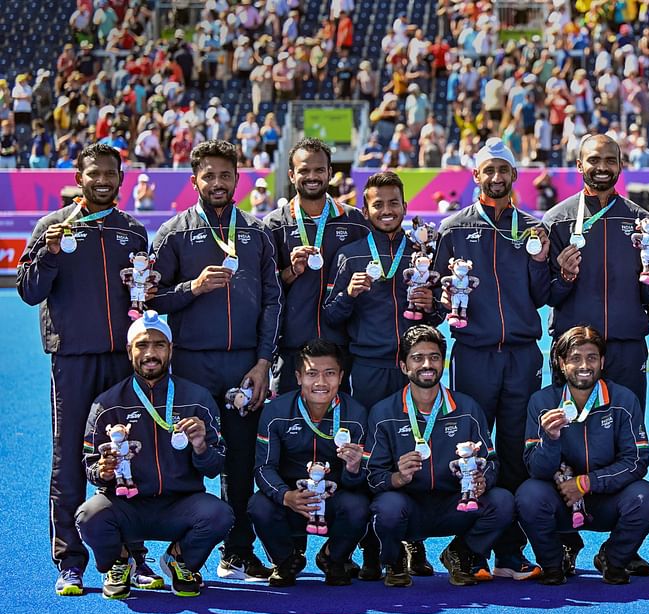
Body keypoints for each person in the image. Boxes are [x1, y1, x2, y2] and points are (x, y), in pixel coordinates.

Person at [17, 143, 155, 595]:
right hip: (73, 360)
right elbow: (30, 292)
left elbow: (142, 298)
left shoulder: (132, 232)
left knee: (127, 456)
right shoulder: (50, 227)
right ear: (78, 177)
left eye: (110, 173)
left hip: (122, 362)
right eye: (93, 172)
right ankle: (71, 560)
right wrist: (51, 253)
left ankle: (132, 556)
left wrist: (148, 287)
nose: (102, 180)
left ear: (121, 178)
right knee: (71, 459)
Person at [149, 139, 283, 582]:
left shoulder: (257, 233)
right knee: (188, 456)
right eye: (209, 175)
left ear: (238, 181)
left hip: (245, 365)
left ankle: (238, 552)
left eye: (226, 175)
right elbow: (151, 300)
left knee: (242, 461)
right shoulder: (174, 233)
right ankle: (183, 552)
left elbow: (271, 302)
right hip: (191, 368)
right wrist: (193, 288)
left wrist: (264, 361)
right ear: (195, 181)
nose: (218, 183)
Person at [431, 138, 551, 581]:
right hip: (474, 355)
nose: (497, 177)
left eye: (504, 169)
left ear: (514, 175)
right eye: (489, 171)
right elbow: (436, 302)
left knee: (518, 455)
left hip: (522, 355)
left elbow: (544, 295)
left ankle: (509, 551)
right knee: (472, 451)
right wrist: (442, 297)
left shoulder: (532, 229)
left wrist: (547, 264)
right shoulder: (453, 229)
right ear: (476, 176)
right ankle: (471, 545)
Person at [75, 311, 234, 598]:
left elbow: (215, 466)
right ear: (129, 351)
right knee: (89, 516)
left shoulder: (197, 399)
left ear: (171, 349)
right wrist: (104, 470)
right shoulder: (107, 404)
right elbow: (89, 467)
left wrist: (200, 445)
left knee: (219, 515)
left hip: (180, 505)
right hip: (127, 505)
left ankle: (179, 560)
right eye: (142, 345)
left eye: (159, 345)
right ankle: (121, 561)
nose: (151, 353)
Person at [364, 326, 514, 587]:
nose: (427, 364)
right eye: (417, 358)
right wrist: (397, 477)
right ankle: (395, 559)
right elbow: (372, 478)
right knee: (386, 508)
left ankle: (460, 553)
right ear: (403, 366)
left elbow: (491, 462)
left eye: (434, 357)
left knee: (502, 502)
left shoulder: (467, 408)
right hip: (408, 507)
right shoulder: (383, 412)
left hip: (455, 504)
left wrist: (483, 481)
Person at [518, 326, 649, 585]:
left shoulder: (623, 399)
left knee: (648, 498)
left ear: (602, 361)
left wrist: (588, 483)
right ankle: (552, 562)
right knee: (528, 495)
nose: (584, 365)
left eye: (592, 357)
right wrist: (550, 440)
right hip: (562, 500)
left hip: (607, 499)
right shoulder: (542, 402)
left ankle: (614, 557)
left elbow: (637, 461)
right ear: (561, 363)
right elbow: (536, 470)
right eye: (575, 358)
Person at [544, 134, 649, 409]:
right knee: (571, 435)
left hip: (626, 349)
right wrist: (565, 278)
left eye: (610, 160)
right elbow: (547, 295)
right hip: (574, 351)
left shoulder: (641, 222)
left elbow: (648, 297)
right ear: (579, 165)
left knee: (628, 435)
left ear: (620, 165)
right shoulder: (557, 221)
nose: (602, 167)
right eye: (594, 160)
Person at [249, 338, 370, 587]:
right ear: (297, 377)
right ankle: (286, 560)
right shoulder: (276, 412)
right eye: (311, 374)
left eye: (330, 374)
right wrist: (286, 496)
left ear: (341, 376)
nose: (321, 383)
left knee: (360, 506)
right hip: (292, 497)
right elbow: (263, 467)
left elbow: (359, 481)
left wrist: (354, 468)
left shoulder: (356, 414)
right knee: (258, 505)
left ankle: (332, 557)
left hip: (334, 498)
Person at [323, 171, 437, 410]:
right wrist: (349, 295)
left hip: (415, 365)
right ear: (365, 212)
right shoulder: (350, 255)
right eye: (378, 204)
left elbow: (439, 315)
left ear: (404, 207)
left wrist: (432, 305)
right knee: (368, 440)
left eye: (394, 203)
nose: (387, 210)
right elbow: (331, 316)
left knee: (415, 441)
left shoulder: (422, 254)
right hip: (368, 368)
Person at [266, 137, 370, 395]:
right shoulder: (274, 224)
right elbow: (264, 288)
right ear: (291, 175)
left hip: (341, 346)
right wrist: (291, 271)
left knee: (339, 426)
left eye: (319, 170)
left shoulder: (355, 221)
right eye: (304, 170)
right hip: (292, 348)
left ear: (330, 173)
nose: (312, 176)